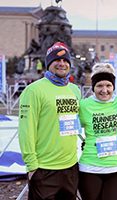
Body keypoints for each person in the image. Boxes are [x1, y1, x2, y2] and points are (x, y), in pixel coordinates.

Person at [18, 42, 81, 199]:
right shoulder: (33, 90)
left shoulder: (74, 90)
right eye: (56, 60)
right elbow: (26, 129)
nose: (62, 64)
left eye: (65, 60)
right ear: (48, 64)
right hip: (44, 168)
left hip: (70, 167)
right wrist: (32, 166)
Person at [78, 63, 117, 200]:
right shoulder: (84, 105)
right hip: (89, 167)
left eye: (108, 85)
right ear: (93, 87)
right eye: (99, 86)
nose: (104, 90)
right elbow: (72, 127)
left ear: (113, 86)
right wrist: (85, 141)